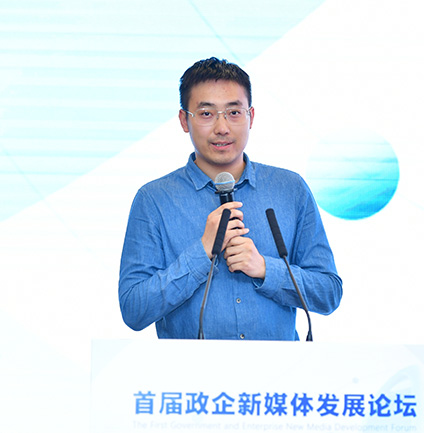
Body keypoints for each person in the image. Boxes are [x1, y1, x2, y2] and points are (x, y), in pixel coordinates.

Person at [118, 57, 342, 340]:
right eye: (206, 113)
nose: (222, 127)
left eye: (234, 112)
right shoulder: (154, 200)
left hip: (281, 369)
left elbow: (328, 293)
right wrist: (202, 252)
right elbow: (134, 309)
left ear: (251, 117)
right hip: (191, 369)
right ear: (184, 120)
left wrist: (266, 269)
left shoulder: (290, 189)